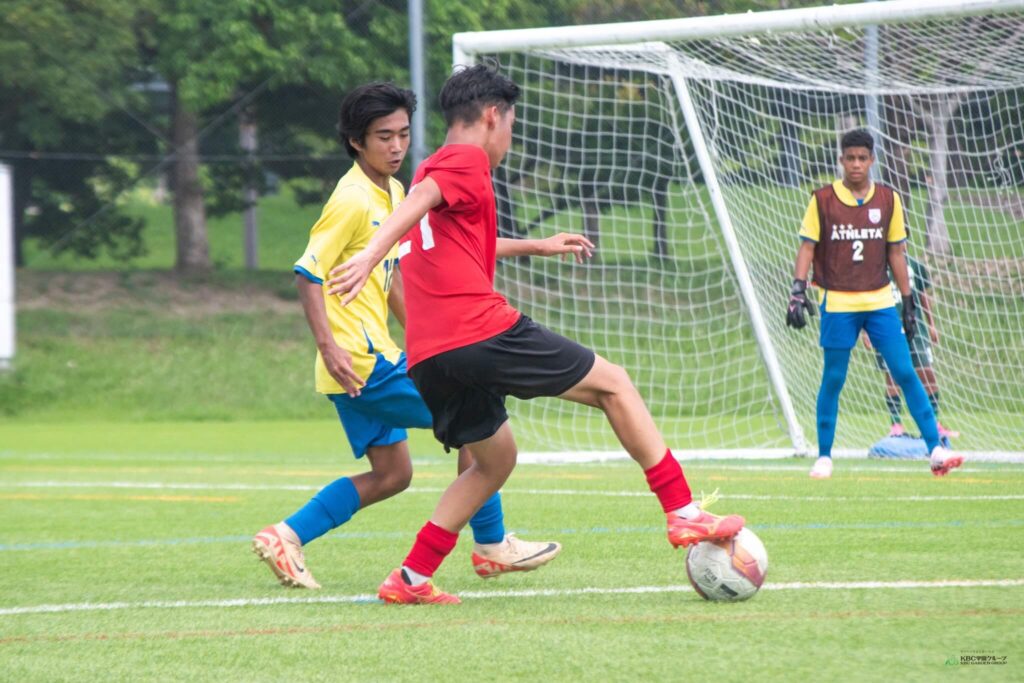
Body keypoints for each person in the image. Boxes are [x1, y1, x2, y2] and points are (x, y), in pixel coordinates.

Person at [327, 65, 745, 605]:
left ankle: (410, 577)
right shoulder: (463, 160)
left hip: (430, 354)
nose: (510, 136)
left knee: (494, 460)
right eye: (511, 124)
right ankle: (683, 511)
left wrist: (536, 245)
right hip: (478, 329)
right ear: (492, 116)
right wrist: (369, 254)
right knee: (614, 384)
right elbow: (421, 199)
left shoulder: (433, 164)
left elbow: (456, 235)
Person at [251, 82, 570, 589]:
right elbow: (307, 271)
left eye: (403, 134)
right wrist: (329, 347)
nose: (397, 146)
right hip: (363, 362)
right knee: (478, 422)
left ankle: (284, 535)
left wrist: (536, 245)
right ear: (356, 141)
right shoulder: (353, 199)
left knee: (392, 475)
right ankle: (492, 545)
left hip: (359, 366)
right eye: (384, 137)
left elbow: (423, 261)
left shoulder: (395, 193)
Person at [785, 128, 962, 479]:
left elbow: (897, 253)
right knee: (834, 378)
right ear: (841, 160)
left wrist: (908, 300)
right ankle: (824, 456)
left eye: (862, 158)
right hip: (838, 301)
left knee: (905, 372)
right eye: (850, 158)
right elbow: (807, 247)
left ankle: (935, 449)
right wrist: (797, 290)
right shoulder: (822, 199)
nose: (856, 164)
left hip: (880, 302)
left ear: (872, 161)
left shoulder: (888, 199)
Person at [864, 253, 958, 441]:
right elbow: (867, 298)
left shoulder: (915, 266)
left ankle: (934, 422)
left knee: (927, 372)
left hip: (915, 327)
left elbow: (923, 297)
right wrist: (865, 330)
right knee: (892, 376)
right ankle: (896, 425)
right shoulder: (876, 265)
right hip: (887, 327)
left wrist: (931, 324)